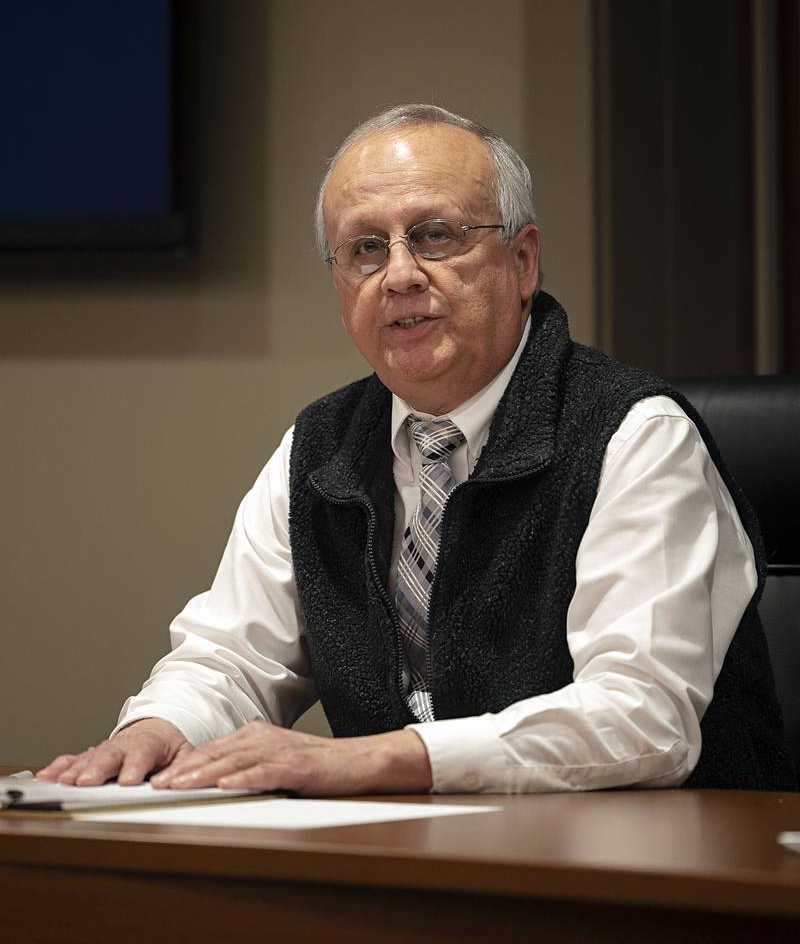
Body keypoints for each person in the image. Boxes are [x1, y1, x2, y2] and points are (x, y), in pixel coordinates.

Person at [39, 104, 795, 795]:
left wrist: (382, 756)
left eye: (435, 236)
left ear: (523, 262)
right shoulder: (320, 448)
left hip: (658, 886)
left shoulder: (635, 433)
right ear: (340, 285)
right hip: (416, 872)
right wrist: (155, 729)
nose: (399, 275)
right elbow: (232, 660)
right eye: (365, 249)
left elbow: (642, 718)